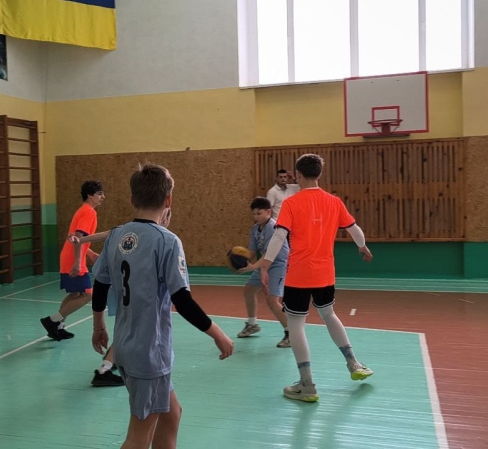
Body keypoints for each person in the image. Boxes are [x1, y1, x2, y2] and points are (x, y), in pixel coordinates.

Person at [90, 163, 234, 448]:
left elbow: (101, 285)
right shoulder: (167, 241)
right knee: (139, 437)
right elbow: (182, 299)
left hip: (125, 346)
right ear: (169, 200)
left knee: (171, 414)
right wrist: (218, 334)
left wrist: (98, 327)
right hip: (149, 353)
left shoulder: (115, 235)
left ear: (132, 199)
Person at [258, 153, 374, 402]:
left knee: (296, 324)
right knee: (329, 315)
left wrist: (265, 264)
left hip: (298, 275)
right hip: (325, 274)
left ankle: (307, 385)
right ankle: (353, 363)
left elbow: (279, 236)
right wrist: (362, 246)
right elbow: (354, 229)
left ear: (298, 175)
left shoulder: (291, 203)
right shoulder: (334, 201)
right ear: (319, 174)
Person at [67, 209, 173, 388]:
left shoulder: (128, 233)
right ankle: (105, 369)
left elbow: (106, 234)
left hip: (124, 291)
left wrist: (82, 240)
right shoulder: (158, 238)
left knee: (127, 329)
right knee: (132, 330)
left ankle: (111, 362)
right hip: (132, 294)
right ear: (165, 215)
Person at [40, 181, 104, 341]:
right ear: (90, 195)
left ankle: (58, 327)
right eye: (99, 194)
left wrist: (90, 254)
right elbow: (78, 237)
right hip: (73, 259)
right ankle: (52, 321)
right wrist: (77, 261)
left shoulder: (83, 210)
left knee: (75, 293)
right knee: (88, 295)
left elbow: (77, 238)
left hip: (69, 256)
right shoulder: (88, 212)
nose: (103, 197)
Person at [234, 197, 290, 348]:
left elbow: (268, 253)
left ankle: (291, 333)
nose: (256, 216)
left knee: (272, 300)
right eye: (253, 214)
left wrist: (253, 267)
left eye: (259, 213)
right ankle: (252, 324)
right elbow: (252, 251)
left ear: (268, 212)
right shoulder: (254, 229)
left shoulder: (273, 227)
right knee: (249, 290)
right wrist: (241, 260)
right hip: (264, 265)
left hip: (277, 265)